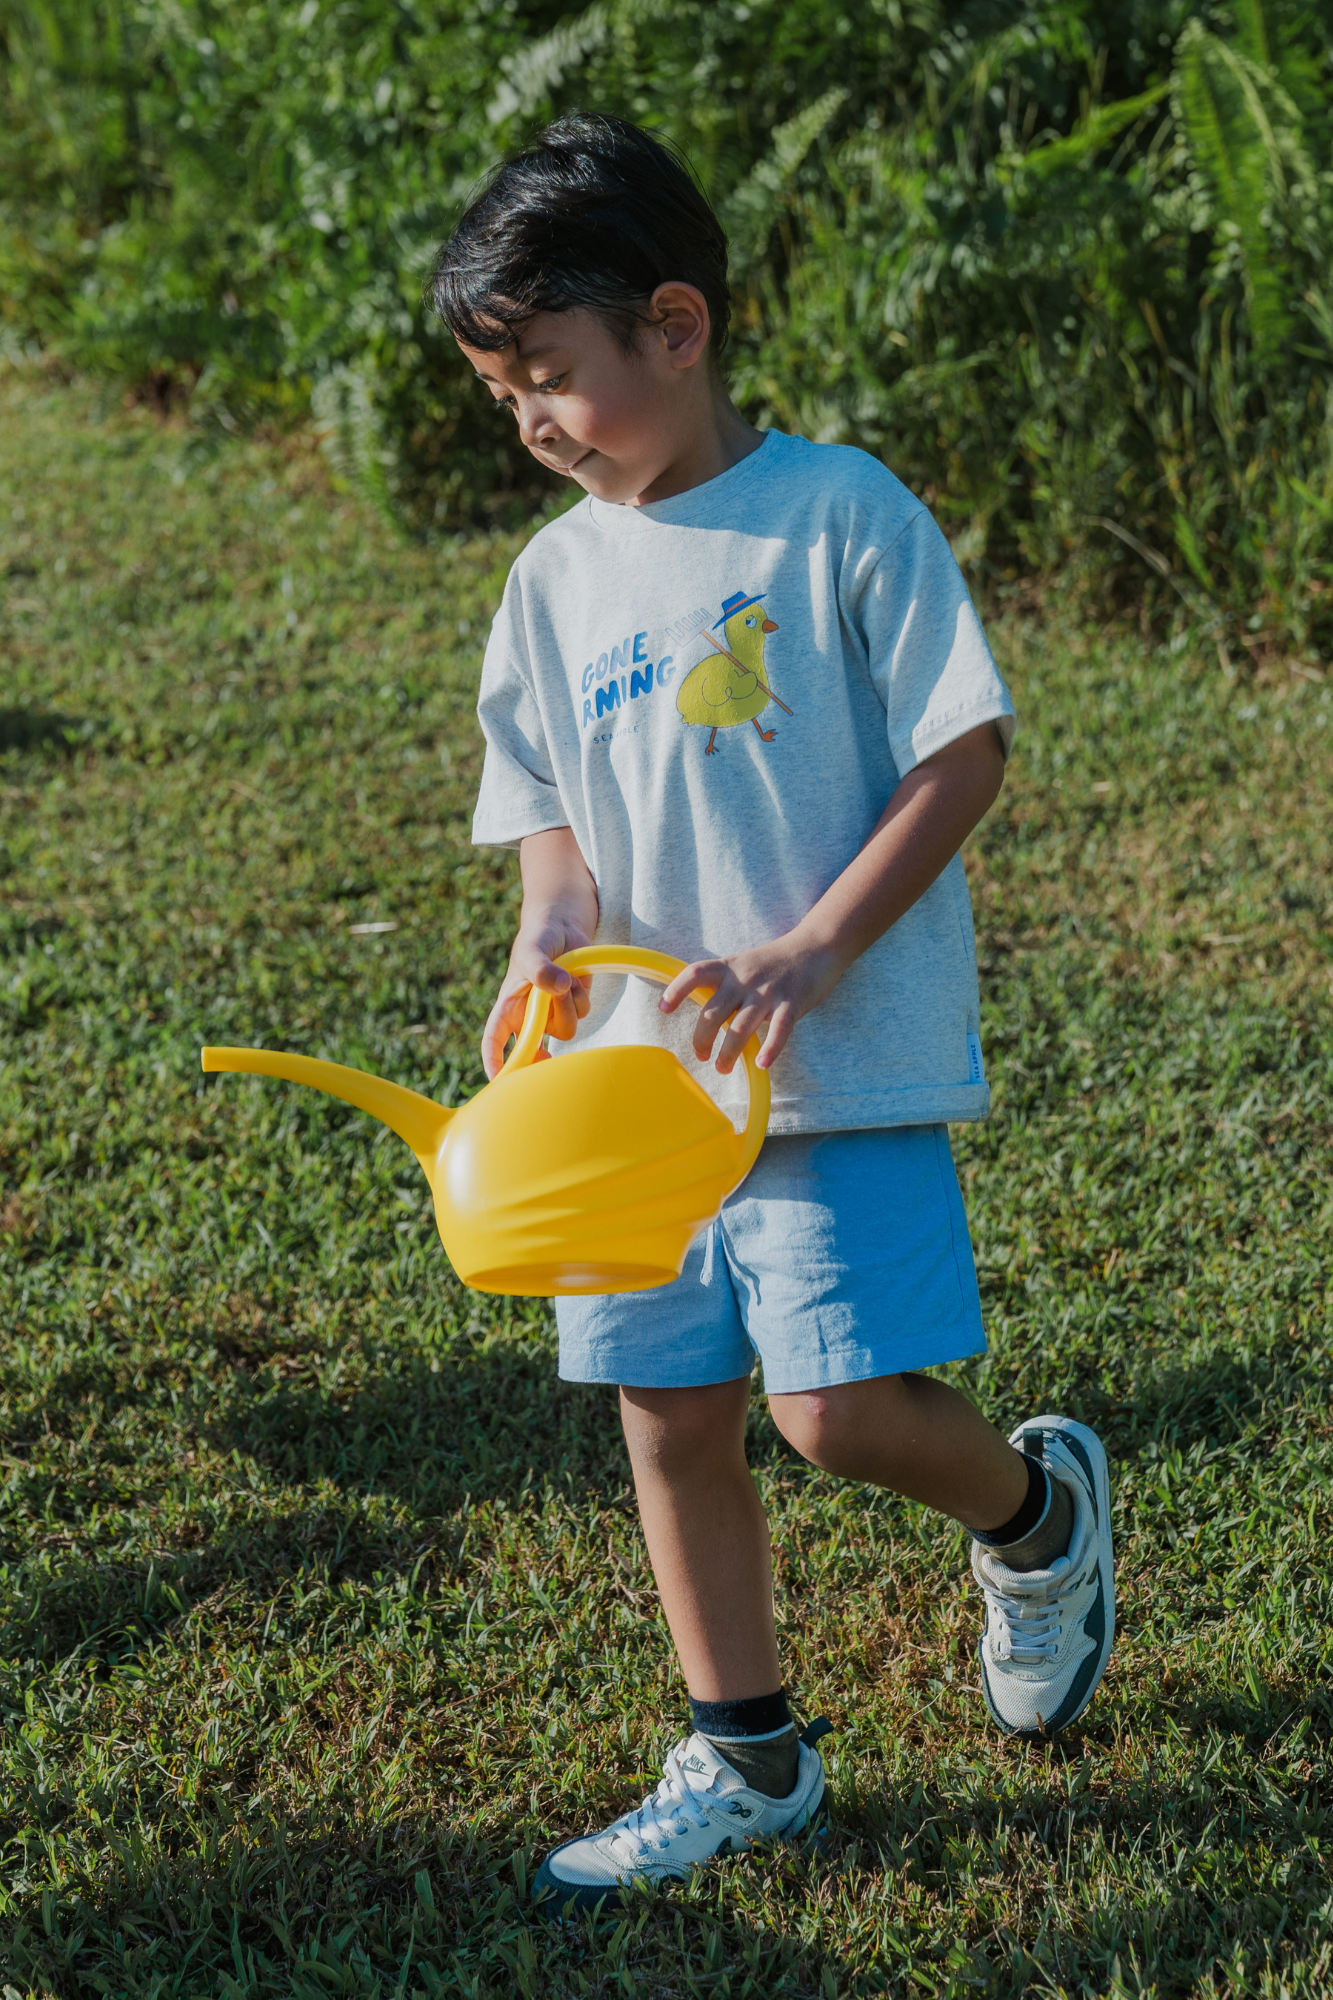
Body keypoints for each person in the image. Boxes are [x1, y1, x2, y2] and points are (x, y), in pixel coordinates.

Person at [428, 114, 1114, 1914]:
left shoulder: (840, 515)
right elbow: (550, 819)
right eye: (503, 394)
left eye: (549, 374)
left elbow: (965, 752)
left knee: (833, 1411)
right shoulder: (551, 581)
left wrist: (812, 948)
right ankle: (746, 1755)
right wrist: (548, 935)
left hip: (832, 1062)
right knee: (667, 1413)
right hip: (630, 1095)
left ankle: (1036, 1518)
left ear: (677, 326)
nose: (531, 423)